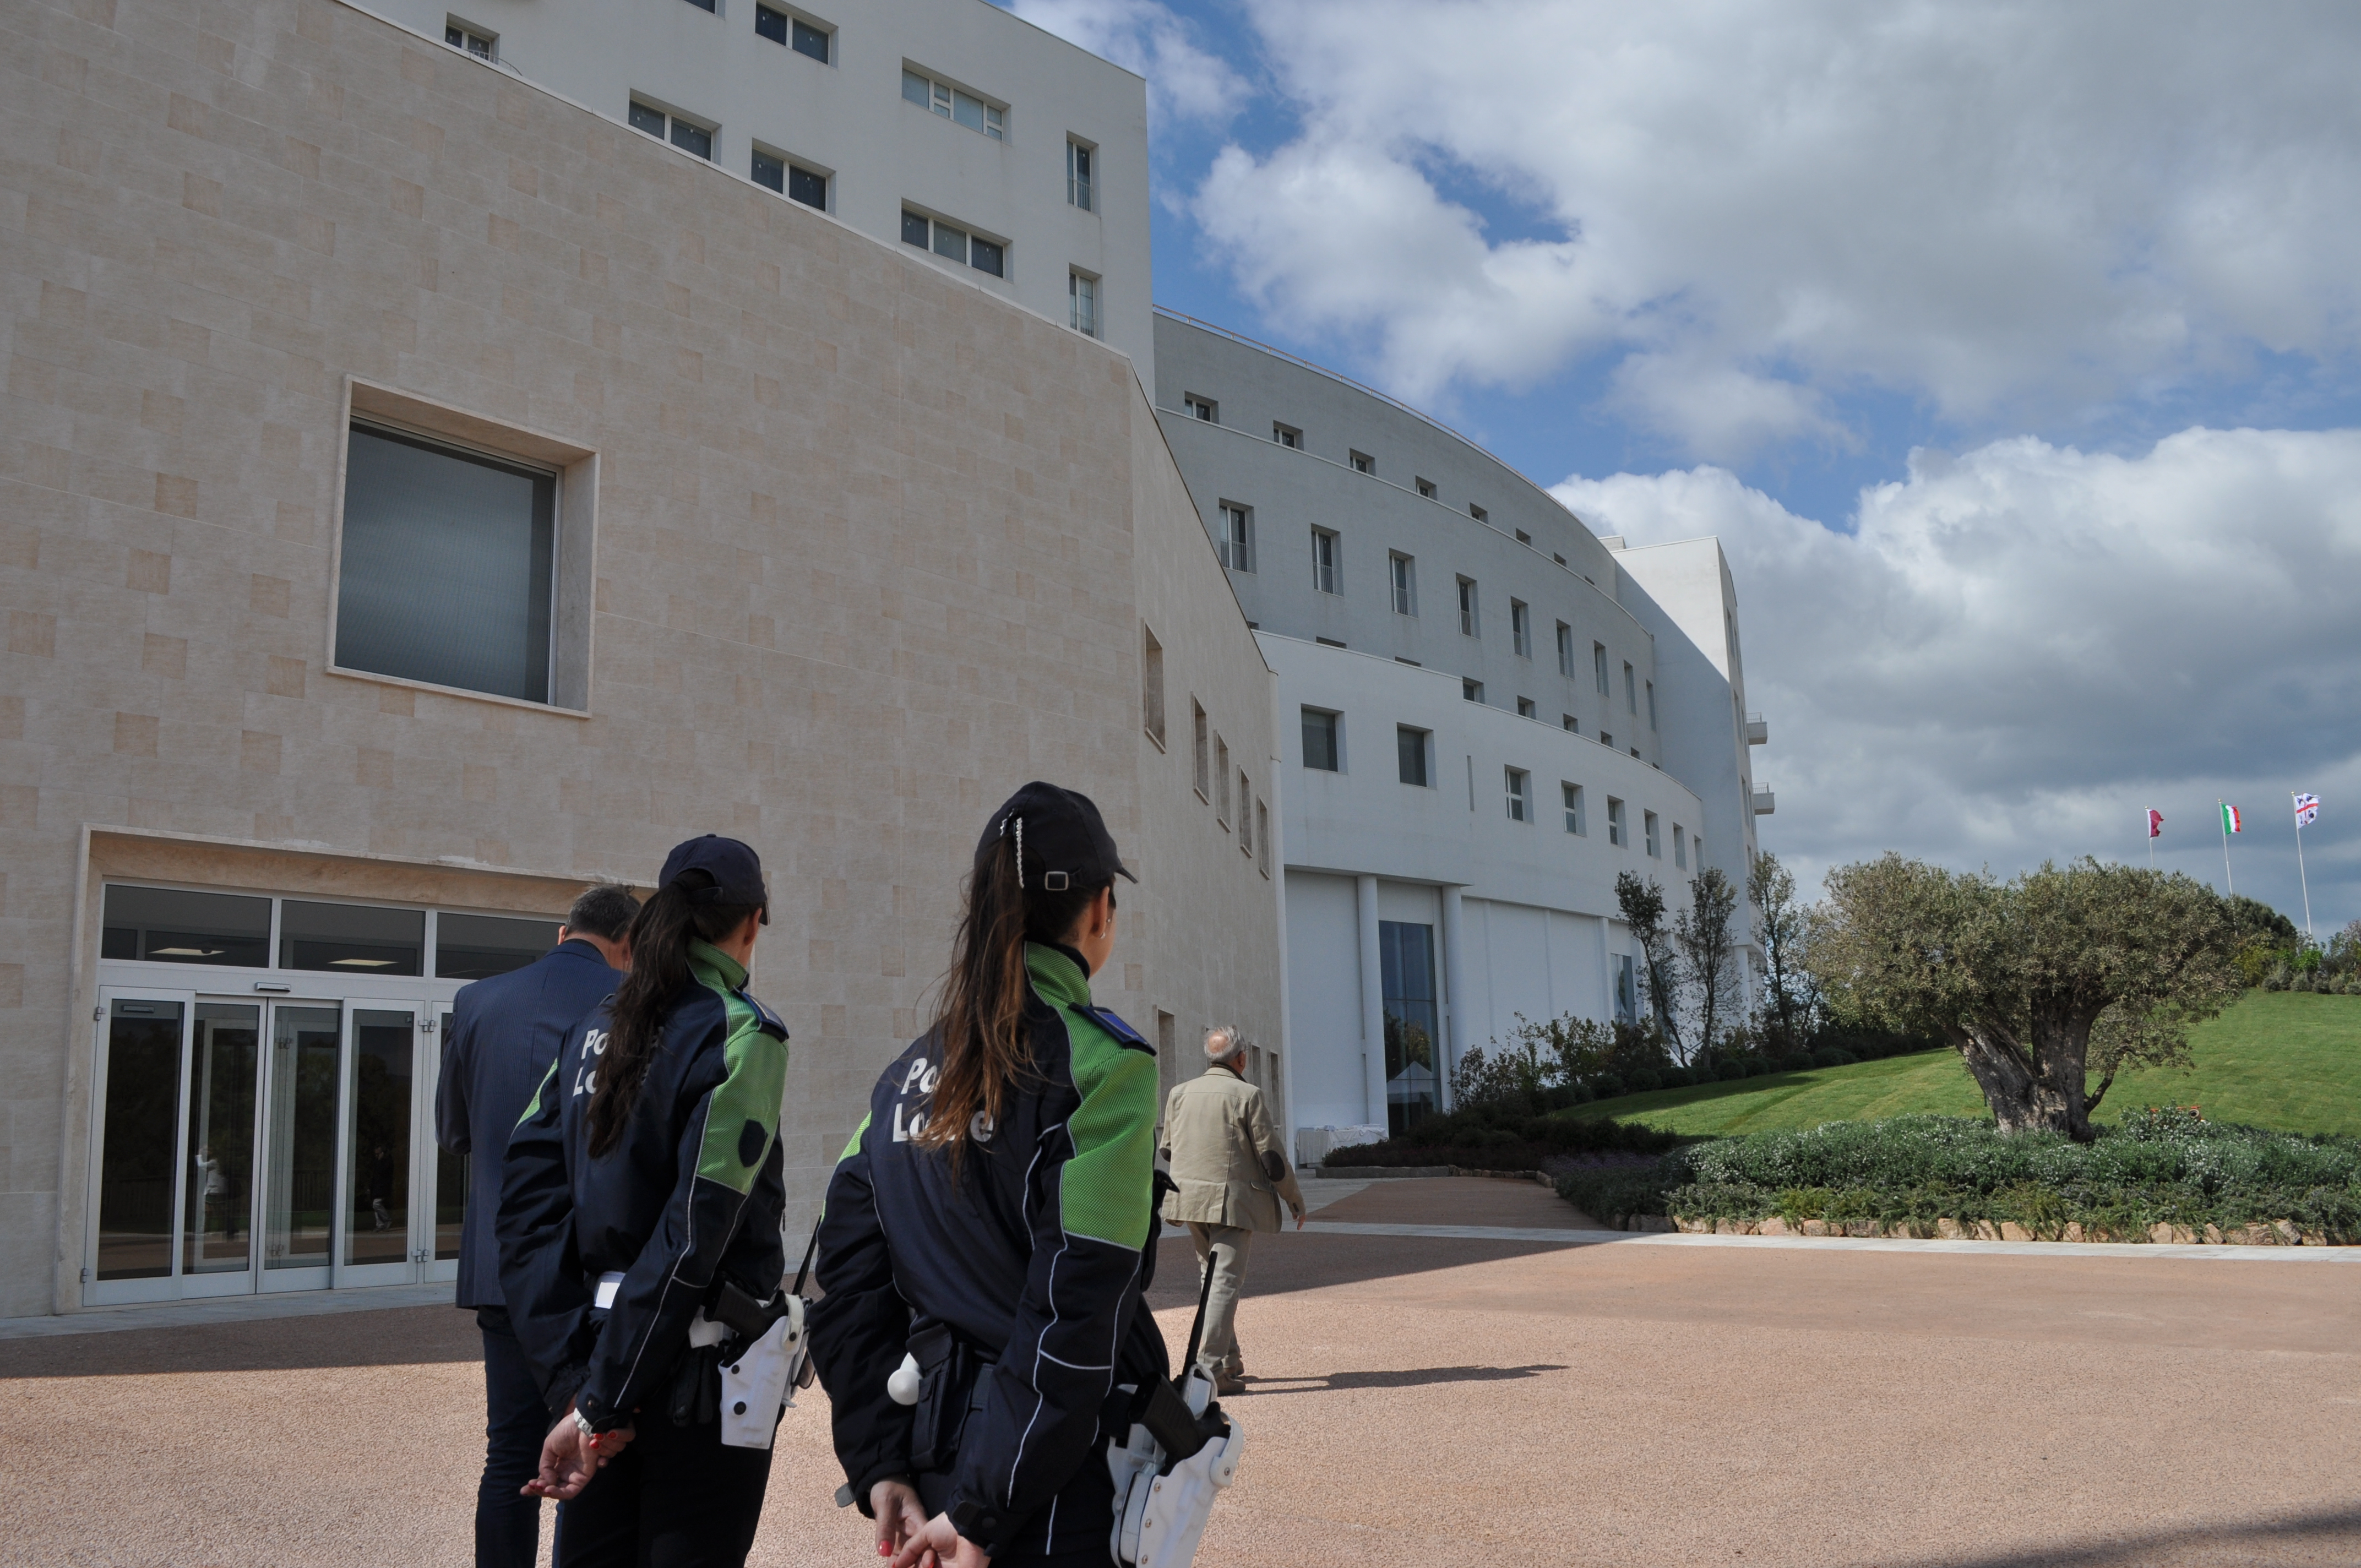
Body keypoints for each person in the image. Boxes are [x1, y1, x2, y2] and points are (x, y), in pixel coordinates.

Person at [809, 782, 1165, 1568]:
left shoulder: (902, 1077)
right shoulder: (1106, 1066)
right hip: (1046, 1476)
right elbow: (1074, 1314)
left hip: (932, 1452)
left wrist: (880, 1465)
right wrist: (983, 1509)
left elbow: (841, 1288)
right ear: (1101, 910)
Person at [497, 836, 792, 1568]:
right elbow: (695, 1232)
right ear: (751, 923)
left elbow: (525, 1212)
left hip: (600, 1366)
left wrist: (580, 1389)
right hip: (691, 1385)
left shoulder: (592, 1028)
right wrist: (600, 1402)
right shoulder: (739, 1031)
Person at [439, 883, 638, 1568]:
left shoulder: (475, 1001)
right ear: (629, 948)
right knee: (589, 1451)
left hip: (498, 1264)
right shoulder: (625, 1010)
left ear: (563, 932)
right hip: (587, 1270)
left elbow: (455, 1131)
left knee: (509, 1455)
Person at [1160, 1026, 1305, 1396]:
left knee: (1212, 1279)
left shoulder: (1179, 1094)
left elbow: (1168, 1149)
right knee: (1224, 1282)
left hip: (1190, 1201)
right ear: (1240, 1059)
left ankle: (1229, 1361)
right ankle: (1209, 1372)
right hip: (1232, 1203)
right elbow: (1272, 1158)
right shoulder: (1247, 1095)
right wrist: (1294, 1198)